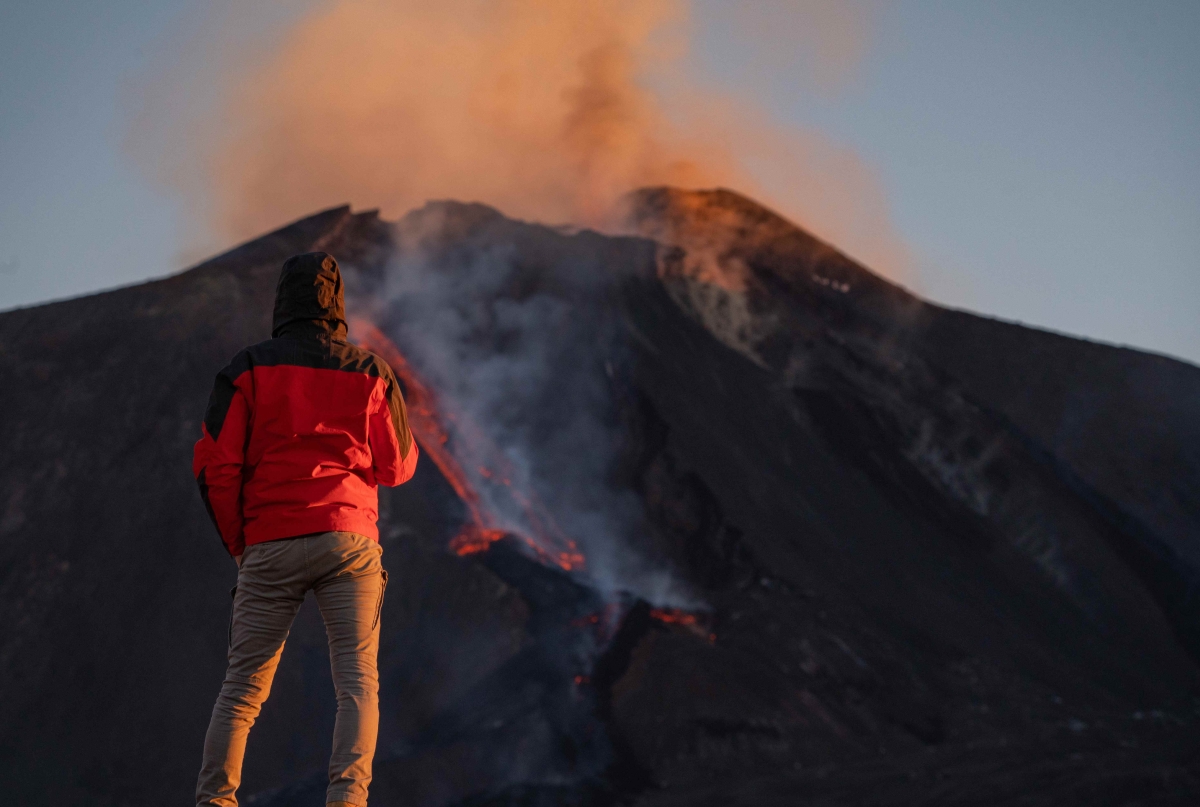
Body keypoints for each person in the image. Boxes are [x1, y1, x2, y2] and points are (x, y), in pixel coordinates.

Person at [192, 252, 419, 807]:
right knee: (358, 683)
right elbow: (398, 465)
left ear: (281, 304)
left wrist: (240, 545)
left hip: (269, 541)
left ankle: (215, 801)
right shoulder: (369, 371)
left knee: (242, 689)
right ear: (337, 305)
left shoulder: (247, 370)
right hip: (348, 540)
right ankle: (347, 801)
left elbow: (215, 465)